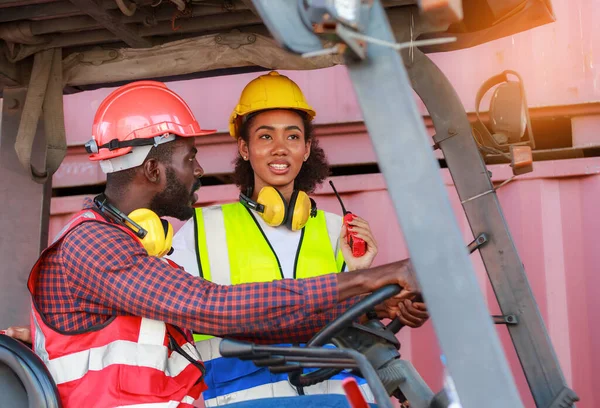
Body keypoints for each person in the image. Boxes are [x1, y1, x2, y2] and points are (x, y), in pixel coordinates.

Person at [7, 80, 421, 408]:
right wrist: (373, 279)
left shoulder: (137, 251)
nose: (201, 170)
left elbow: (263, 321)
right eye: (190, 158)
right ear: (152, 169)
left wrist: (371, 304)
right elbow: (217, 308)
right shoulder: (94, 246)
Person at [166, 71, 429, 406]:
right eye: (265, 137)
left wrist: (381, 304)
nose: (280, 149)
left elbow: (347, 323)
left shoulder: (337, 230)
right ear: (245, 148)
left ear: (306, 149)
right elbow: (186, 318)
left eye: (292, 137)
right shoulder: (201, 229)